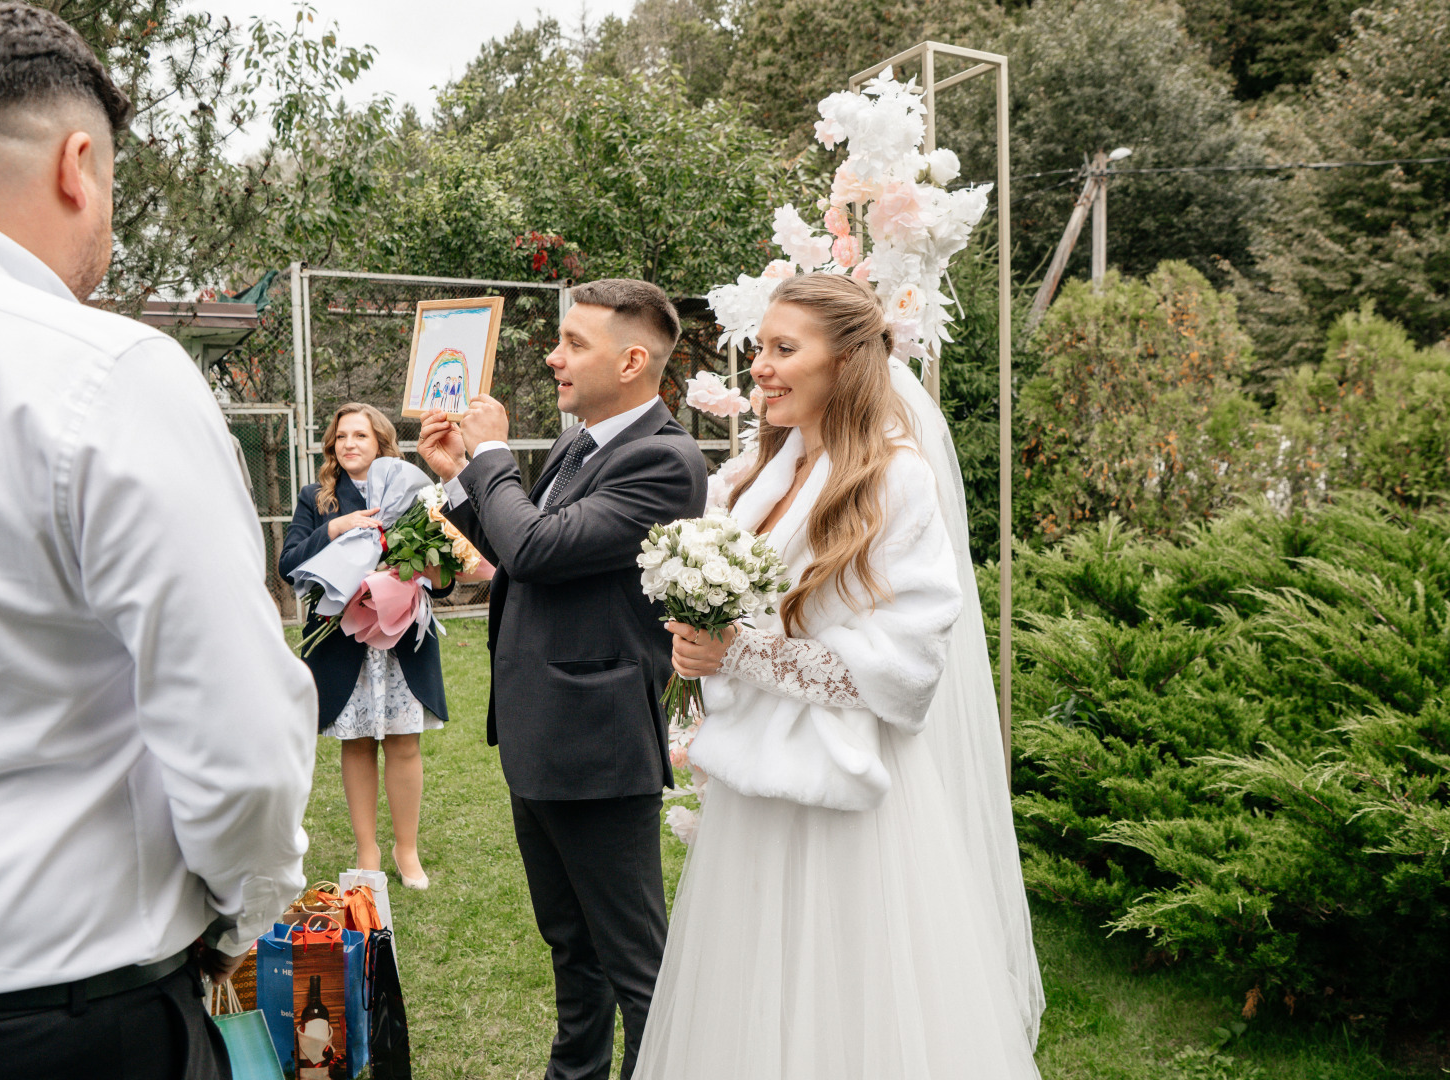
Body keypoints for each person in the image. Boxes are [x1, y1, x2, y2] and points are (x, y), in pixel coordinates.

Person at [0, 2, 318, 1076]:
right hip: (72, 1017)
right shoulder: (107, 373)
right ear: (78, 163)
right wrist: (245, 912)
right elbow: (237, 743)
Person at [633, 273, 1045, 1079]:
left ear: (849, 361)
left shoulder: (894, 481)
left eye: (785, 349)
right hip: (754, 795)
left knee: (850, 1005)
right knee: (746, 997)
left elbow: (906, 668)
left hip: (849, 808)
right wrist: (697, 644)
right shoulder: (752, 478)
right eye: (760, 347)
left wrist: (741, 655)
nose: (761, 365)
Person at [418, 279, 708, 1080]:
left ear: (634, 358)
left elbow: (540, 547)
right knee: (570, 949)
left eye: (574, 343)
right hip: (545, 737)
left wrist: (490, 459)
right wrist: (459, 479)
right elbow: (529, 551)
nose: (553, 356)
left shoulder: (663, 459)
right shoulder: (582, 445)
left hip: (598, 745)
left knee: (634, 963)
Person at [280, 403, 448, 889]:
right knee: (355, 744)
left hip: (400, 642)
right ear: (332, 446)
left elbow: (443, 579)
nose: (349, 443)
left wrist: (412, 570)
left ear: (381, 444)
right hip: (343, 640)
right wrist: (333, 530)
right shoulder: (318, 497)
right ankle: (367, 849)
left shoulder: (412, 491)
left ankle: (407, 849)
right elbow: (287, 564)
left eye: (361, 435)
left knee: (402, 743)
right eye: (341, 437)